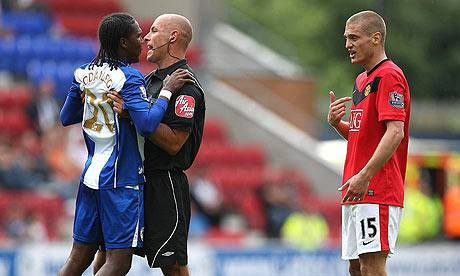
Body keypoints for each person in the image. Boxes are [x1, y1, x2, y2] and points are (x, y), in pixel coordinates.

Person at [57, 13, 193, 276]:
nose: (142, 41)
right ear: (123, 43)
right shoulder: (129, 77)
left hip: (90, 177)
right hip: (121, 179)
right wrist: (166, 91)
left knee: (77, 260)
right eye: (137, 37)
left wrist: (96, 104)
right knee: (119, 262)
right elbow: (146, 126)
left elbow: (66, 117)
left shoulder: (83, 73)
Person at [95, 13, 206, 276]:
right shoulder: (148, 80)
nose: (146, 37)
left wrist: (134, 114)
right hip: (133, 179)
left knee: (173, 265)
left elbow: (175, 144)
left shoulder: (185, 86)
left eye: (154, 31)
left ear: (173, 37)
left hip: (163, 183)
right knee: (109, 252)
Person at [327, 10, 411, 276]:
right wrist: (336, 124)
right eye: (346, 38)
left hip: (377, 188)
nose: (347, 45)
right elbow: (361, 138)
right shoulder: (362, 80)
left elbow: (395, 132)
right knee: (356, 268)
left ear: (375, 38)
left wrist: (364, 175)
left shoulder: (389, 76)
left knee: (372, 268)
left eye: (354, 37)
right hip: (355, 188)